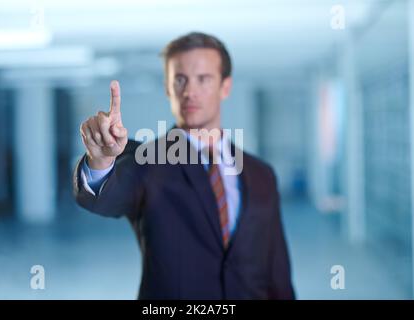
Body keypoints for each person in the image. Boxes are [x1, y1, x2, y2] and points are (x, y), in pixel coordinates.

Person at [74, 32, 295, 299]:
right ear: (168, 88)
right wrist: (101, 160)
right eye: (179, 80)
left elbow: (277, 271)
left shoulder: (261, 175)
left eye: (203, 79)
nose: (189, 92)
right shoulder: (147, 161)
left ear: (225, 87)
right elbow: (106, 198)